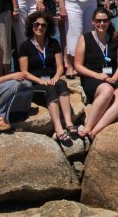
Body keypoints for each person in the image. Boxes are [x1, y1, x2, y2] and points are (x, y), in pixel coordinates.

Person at [17, 12, 77, 142]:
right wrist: (40, 81)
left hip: (51, 80)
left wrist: (56, 77)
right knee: (50, 89)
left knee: (61, 84)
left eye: (43, 25)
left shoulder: (53, 43)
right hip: (34, 84)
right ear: (31, 26)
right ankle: (58, 128)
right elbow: (24, 72)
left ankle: (69, 123)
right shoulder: (25, 46)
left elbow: (60, 67)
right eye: (36, 24)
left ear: (48, 27)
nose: (40, 27)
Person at [74, 7, 118, 140]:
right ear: (93, 22)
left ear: (109, 22)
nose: (102, 24)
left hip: (113, 76)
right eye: (98, 21)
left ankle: (95, 131)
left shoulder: (116, 39)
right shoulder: (85, 38)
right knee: (107, 90)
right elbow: (78, 65)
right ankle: (87, 127)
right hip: (92, 77)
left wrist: (115, 78)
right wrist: (97, 75)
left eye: (105, 21)